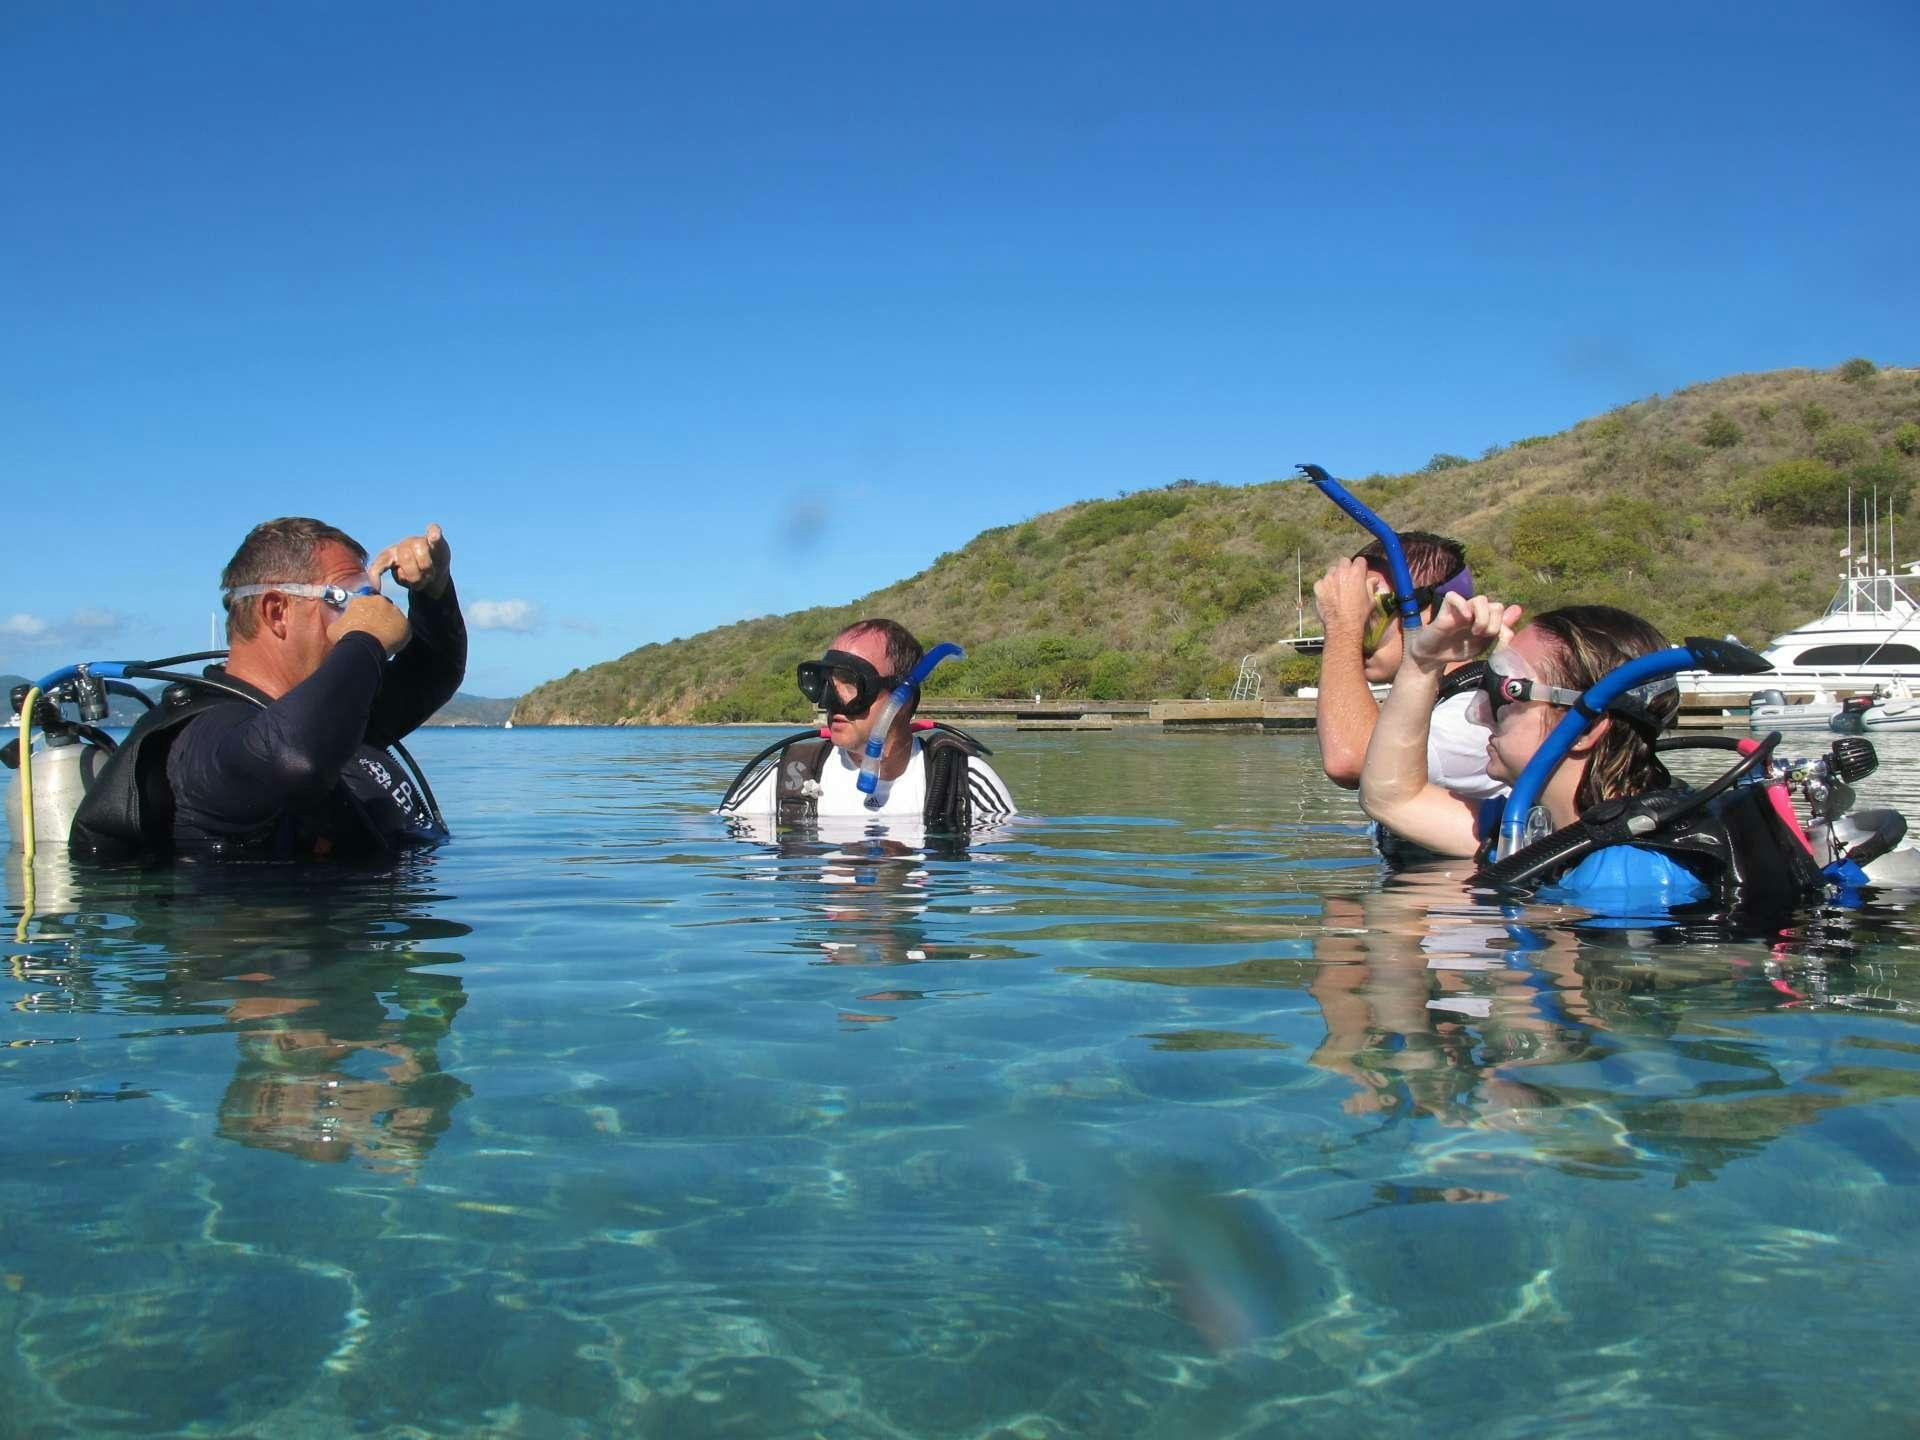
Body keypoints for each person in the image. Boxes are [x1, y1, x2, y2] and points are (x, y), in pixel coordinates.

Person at [1359, 595, 1824, 910]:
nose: (1479, 713)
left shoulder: (1623, 872)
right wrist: (1423, 664)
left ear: (1584, 730)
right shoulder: (1542, 831)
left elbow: (1599, 1037)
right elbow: (1393, 798)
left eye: (1508, 693)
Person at [72, 517, 465, 860]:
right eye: (347, 600)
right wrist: (365, 638)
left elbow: (434, 671)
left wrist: (434, 590)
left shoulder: (333, 715)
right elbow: (292, 758)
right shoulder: (202, 740)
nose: (369, 612)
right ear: (277, 612)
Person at [717, 618, 1015, 830]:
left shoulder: (960, 779)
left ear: (903, 698)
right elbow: (719, 839)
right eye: (826, 684)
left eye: (849, 682)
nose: (829, 701)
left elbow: (1002, 884)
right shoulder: (791, 775)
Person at [1312, 531, 1499, 806]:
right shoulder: (1425, 707)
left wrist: (1343, 623)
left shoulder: (1472, 717)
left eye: (1368, 616)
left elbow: (1350, 760)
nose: (1356, 633)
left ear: (1432, 612)